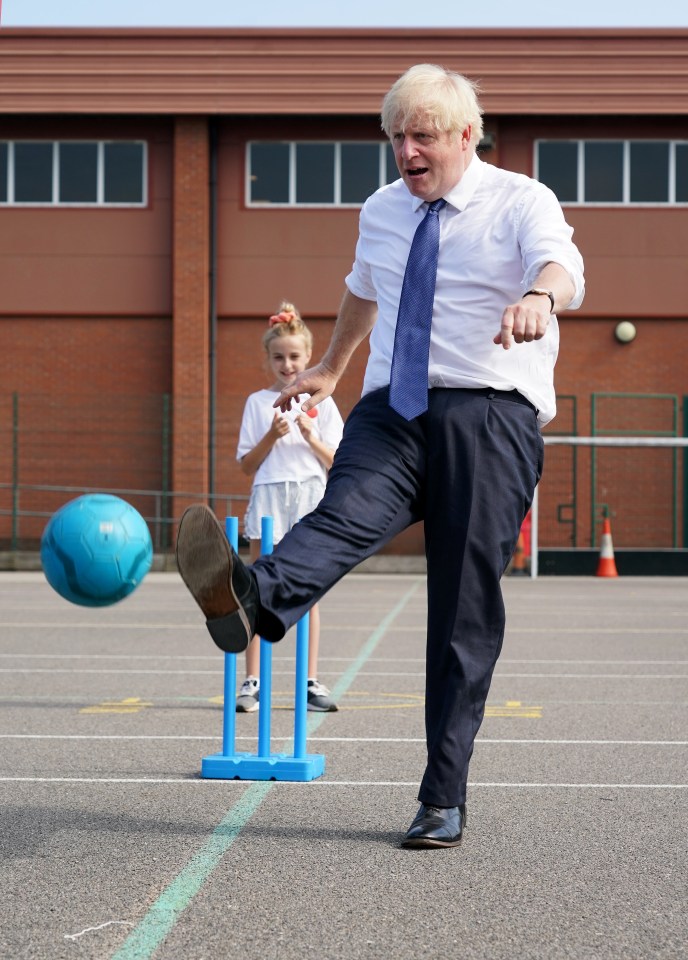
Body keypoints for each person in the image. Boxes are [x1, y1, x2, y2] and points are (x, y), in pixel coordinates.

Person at [176, 63, 584, 849]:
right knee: (343, 510)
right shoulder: (383, 211)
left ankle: (442, 798)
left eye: (423, 136)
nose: (407, 151)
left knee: (461, 614)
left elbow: (562, 266)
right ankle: (252, 596)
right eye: (397, 136)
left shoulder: (520, 200)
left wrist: (539, 297)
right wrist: (330, 366)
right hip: (396, 408)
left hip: (489, 414)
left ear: (467, 134)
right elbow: (365, 288)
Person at [235, 302, 344, 713]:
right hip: (270, 495)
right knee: (257, 591)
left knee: (309, 594)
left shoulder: (323, 401)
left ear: (308, 357)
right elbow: (246, 464)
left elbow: (338, 461)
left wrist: (311, 435)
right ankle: (252, 681)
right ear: (268, 359)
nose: (287, 364)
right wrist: (271, 435)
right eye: (279, 357)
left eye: (295, 356)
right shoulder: (257, 403)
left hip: (310, 496)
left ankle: (309, 681)